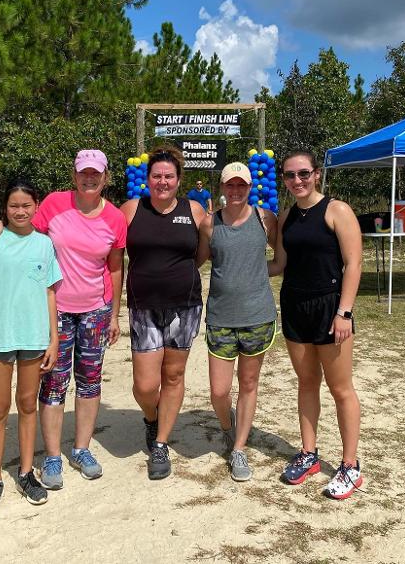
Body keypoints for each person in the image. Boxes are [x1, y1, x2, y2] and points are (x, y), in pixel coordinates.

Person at [0, 150, 126, 489]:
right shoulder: (55, 204)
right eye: (83, 173)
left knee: (90, 378)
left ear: (105, 178)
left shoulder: (115, 218)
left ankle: (82, 449)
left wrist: (115, 312)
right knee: (54, 382)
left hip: (95, 309)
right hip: (54, 309)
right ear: (74, 176)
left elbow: (116, 266)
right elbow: (23, 224)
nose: (89, 179)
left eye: (96, 174)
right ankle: (54, 456)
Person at [268, 151, 363, 500]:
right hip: (294, 305)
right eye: (290, 175)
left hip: (330, 307)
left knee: (341, 389)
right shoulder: (287, 215)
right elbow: (279, 264)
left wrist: (345, 313)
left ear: (317, 174)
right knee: (306, 382)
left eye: (303, 173)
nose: (297, 180)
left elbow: (354, 264)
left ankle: (350, 466)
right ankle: (309, 454)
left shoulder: (337, 210)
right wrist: (239, 267)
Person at [0, 178, 62, 516]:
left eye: (26, 205)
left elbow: (51, 293)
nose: (20, 211)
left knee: (26, 405)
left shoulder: (44, 245)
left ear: (36, 206)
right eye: (13, 206)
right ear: (4, 209)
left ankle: (25, 472)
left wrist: (53, 338)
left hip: (34, 338)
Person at [121, 145, 207, 480]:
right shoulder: (131, 209)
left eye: (168, 176)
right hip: (143, 307)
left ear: (179, 178)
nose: (162, 181)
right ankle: (151, 416)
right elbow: (91, 223)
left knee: (173, 376)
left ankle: (160, 442)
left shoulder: (195, 210)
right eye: (156, 175)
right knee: (144, 385)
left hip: (184, 307)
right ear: (148, 179)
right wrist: (4, 220)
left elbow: (201, 254)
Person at [196, 162, 278, 482]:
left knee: (248, 384)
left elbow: (281, 259)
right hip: (220, 317)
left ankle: (239, 449)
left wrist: (256, 275)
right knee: (219, 391)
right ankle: (228, 426)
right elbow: (200, 260)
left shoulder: (265, 218)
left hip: (257, 315)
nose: (235, 191)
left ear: (249, 187)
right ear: (222, 187)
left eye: (241, 185)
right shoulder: (209, 223)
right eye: (230, 185)